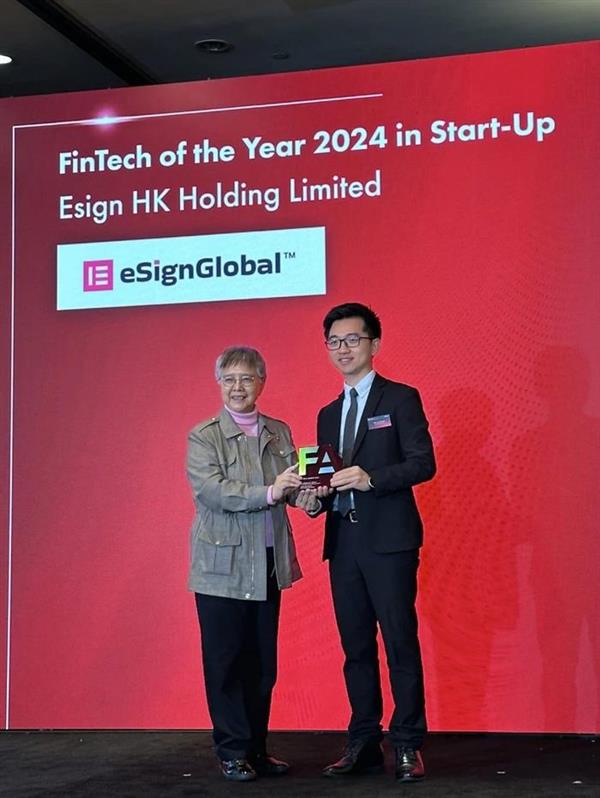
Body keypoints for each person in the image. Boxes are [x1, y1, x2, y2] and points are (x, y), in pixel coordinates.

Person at [298, 302, 436, 782]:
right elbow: (325, 480)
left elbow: (423, 463)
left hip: (390, 542)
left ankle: (408, 743)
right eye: (334, 342)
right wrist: (312, 500)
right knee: (355, 647)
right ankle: (363, 741)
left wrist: (370, 478)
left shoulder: (400, 399)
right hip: (344, 544)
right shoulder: (327, 413)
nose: (343, 349)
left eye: (352, 339)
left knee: (399, 643)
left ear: (374, 344)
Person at [187, 346, 303, 782]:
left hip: (268, 564)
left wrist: (314, 494)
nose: (238, 387)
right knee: (226, 664)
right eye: (230, 379)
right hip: (221, 568)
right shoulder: (204, 436)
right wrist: (271, 492)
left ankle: (255, 749)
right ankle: (232, 751)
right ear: (219, 384)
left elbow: (294, 487)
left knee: (262, 666)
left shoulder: (278, 431)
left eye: (247, 378)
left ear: (261, 383)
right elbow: (213, 491)